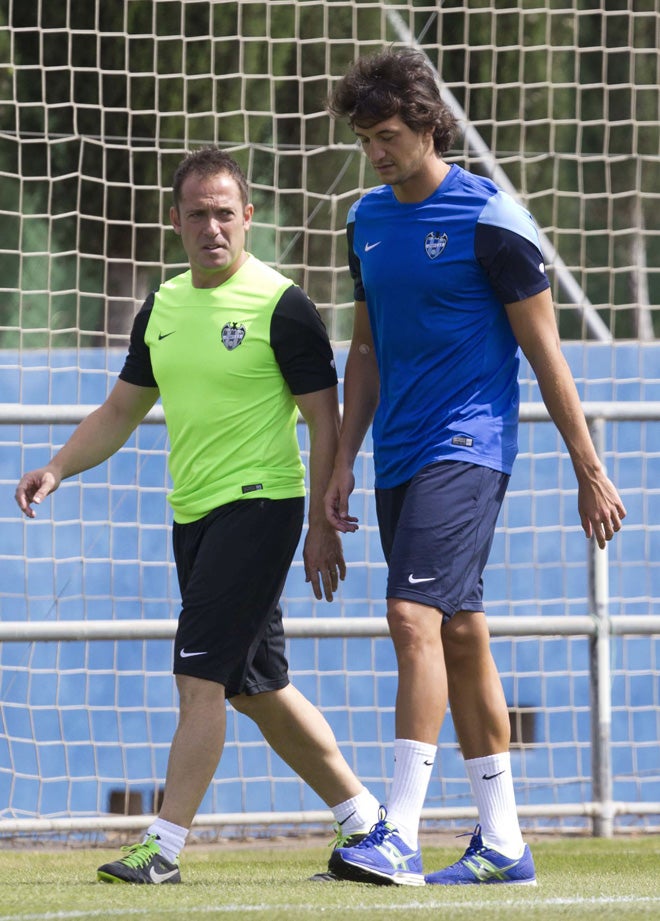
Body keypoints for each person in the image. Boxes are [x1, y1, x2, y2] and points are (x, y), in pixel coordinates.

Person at [15, 147, 380, 884]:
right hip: (194, 516)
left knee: (199, 678)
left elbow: (324, 420)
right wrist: (57, 466)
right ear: (176, 222)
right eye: (198, 214)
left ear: (247, 217)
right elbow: (120, 411)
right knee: (258, 689)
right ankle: (368, 823)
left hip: (261, 505)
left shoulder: (283, 305)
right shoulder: (163, 306)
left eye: (224, 213)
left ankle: (163, 847)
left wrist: (319, 523)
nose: (212, 226)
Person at [322, 47, 626, 887]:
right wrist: (343, 459)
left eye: (388, 135)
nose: (376, 152)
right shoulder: (364, 220)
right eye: (365, 139)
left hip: (469, 444)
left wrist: (588, 467)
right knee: (459, 631)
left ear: (429, 124)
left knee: (410, 615)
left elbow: (545, 350)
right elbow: (365, 350)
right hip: (399, 452)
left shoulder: (493, 217)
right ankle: (502, 842)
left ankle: (397, 831)